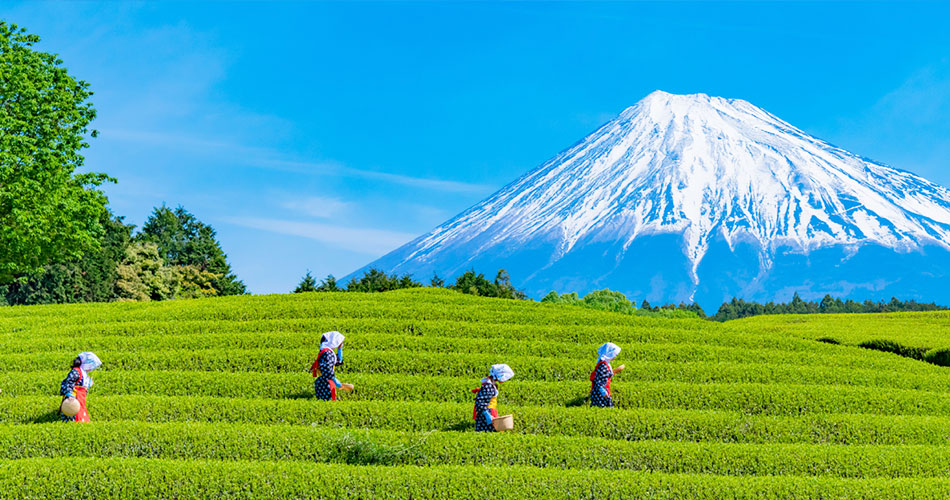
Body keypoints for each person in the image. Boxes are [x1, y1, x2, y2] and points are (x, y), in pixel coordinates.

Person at [59, 351, 102, 422]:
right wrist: (69, 395)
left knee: (80, 415)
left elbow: (82, 386)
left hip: (80, 398)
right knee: (72, 414)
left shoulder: (83, 373)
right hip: (73, 398)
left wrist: (89, 385)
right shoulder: (76, 371)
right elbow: (69, 382)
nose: (91, 369)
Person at [310, 331, 352, 401]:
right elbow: (327, 369)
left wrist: (339, 349)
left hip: (322, 382)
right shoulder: (327, 353)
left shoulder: (325, 351)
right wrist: (336, 381)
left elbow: (338, 361)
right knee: (328, 401)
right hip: (326, 383)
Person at [472, 364, 515, 432]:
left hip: (489, 413)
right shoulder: (489, 386)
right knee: (488, 432)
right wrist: (488, 416)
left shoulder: (491, 384)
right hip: (486, 415)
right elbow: (480, 403)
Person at [590, 342, 624, 408]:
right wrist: (603, 391)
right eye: (614, 354)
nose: (615, 356)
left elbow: (606, 375)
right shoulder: (603, 365)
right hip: (600, 393)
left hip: (602, 390)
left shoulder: (605, 363)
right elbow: (599, 380)